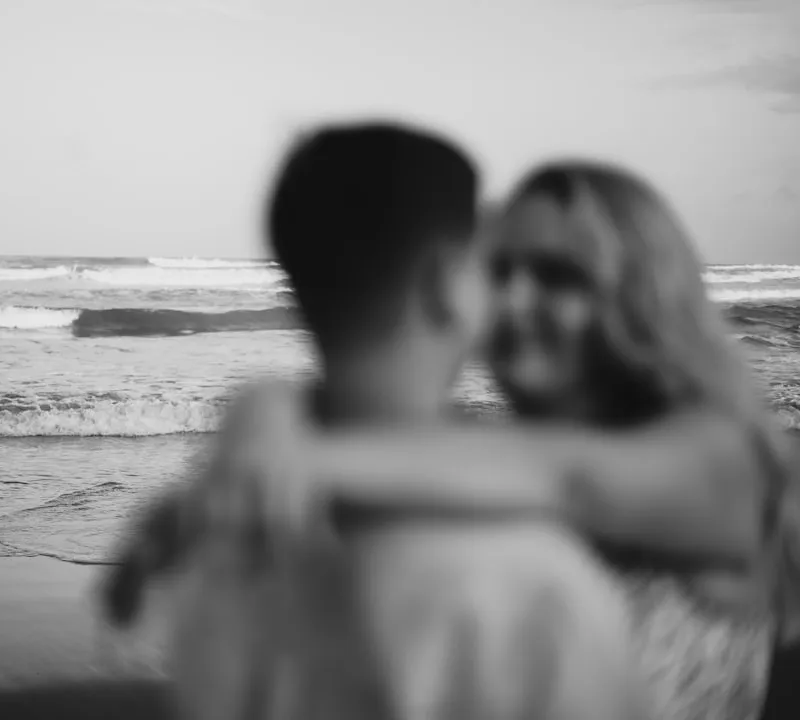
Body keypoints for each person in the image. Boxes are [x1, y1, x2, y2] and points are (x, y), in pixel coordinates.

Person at [104, 122, 645, 720]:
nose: (511, 294)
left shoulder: (223, 545)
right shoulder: (543, 589)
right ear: (446, 283)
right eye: (489, 263)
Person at [229, 162, 798, 720]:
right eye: (499, 271)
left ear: (641, 294)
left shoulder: (724, 454)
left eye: (559, 276)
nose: (515, 299)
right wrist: (269, 411)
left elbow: (576, 481)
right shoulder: (503, 456)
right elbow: (378, 423)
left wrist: (304, 458)